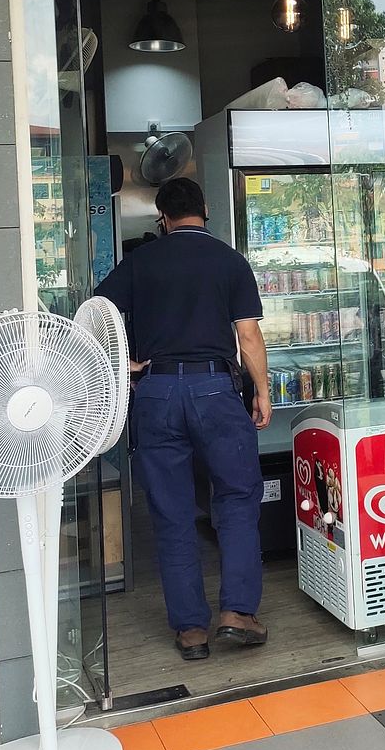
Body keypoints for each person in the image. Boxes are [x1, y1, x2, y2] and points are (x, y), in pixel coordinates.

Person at [96, 177, 272, 661]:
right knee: (236, 498)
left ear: (163, 218)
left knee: (171, 511)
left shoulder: (140, 262)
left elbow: (95, 315)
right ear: (205, 209)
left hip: (155, 392)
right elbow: (248, 336)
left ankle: (191, 631)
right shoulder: (229, 261)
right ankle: (237, 614)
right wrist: (261, 391)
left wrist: (126, 364)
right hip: (215, 388)